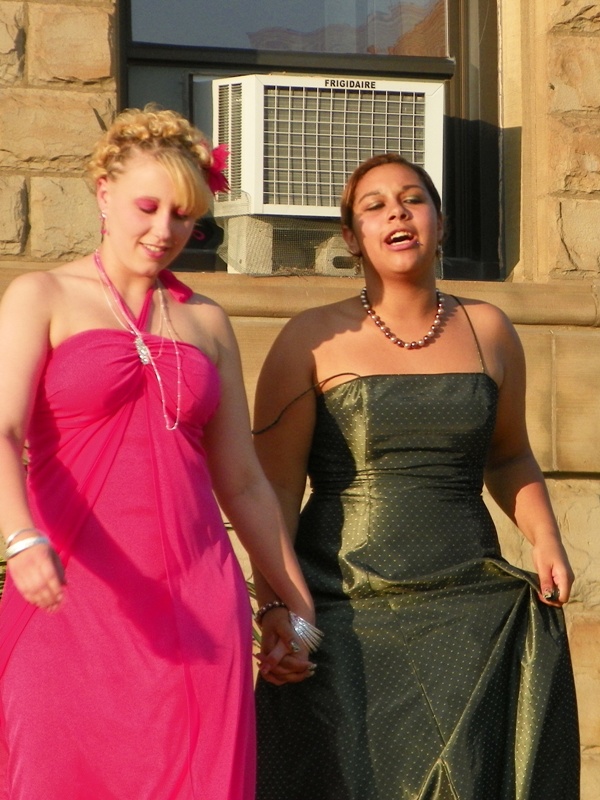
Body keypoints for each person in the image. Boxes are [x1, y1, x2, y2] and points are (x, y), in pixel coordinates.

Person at [0, 105, 315, 799]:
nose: (165, 230)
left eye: (184, 216)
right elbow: (2, 430)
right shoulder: (41, 296)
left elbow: (244, 483)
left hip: (197, 610)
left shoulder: (207, 322)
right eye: (148, 207)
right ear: (104, 192)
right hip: (68, 595)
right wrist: (19, 539)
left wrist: (293, 605)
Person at [251, 153, 580, 799]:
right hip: (344, 610)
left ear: (440, 222)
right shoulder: (308, 339)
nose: (397, 213)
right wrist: (274, 607)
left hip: (467, 608)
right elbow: (275, 490)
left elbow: (509, 456)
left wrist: (546, 541)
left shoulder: (489, 329)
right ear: (352, 238)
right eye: (374, 206)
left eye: (413, 199)